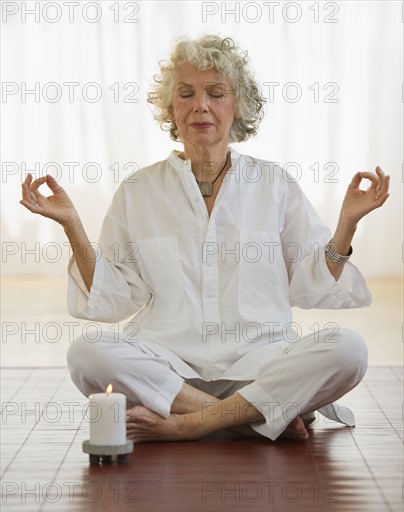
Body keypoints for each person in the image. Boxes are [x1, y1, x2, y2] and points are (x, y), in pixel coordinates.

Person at [20, 35, 390, 443]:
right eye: (186, 94)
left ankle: (190, 425)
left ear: (238, 107)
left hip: (261, 365)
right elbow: (115, 296)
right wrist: (72, 226)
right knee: (86, 354)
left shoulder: (274, 184)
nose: (201, 105)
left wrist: (347, 226)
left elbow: (311, 284)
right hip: (171, 372)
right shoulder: (139, 189)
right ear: (170, 109)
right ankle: (249, 417)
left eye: (216, 93)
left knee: (349, 351)